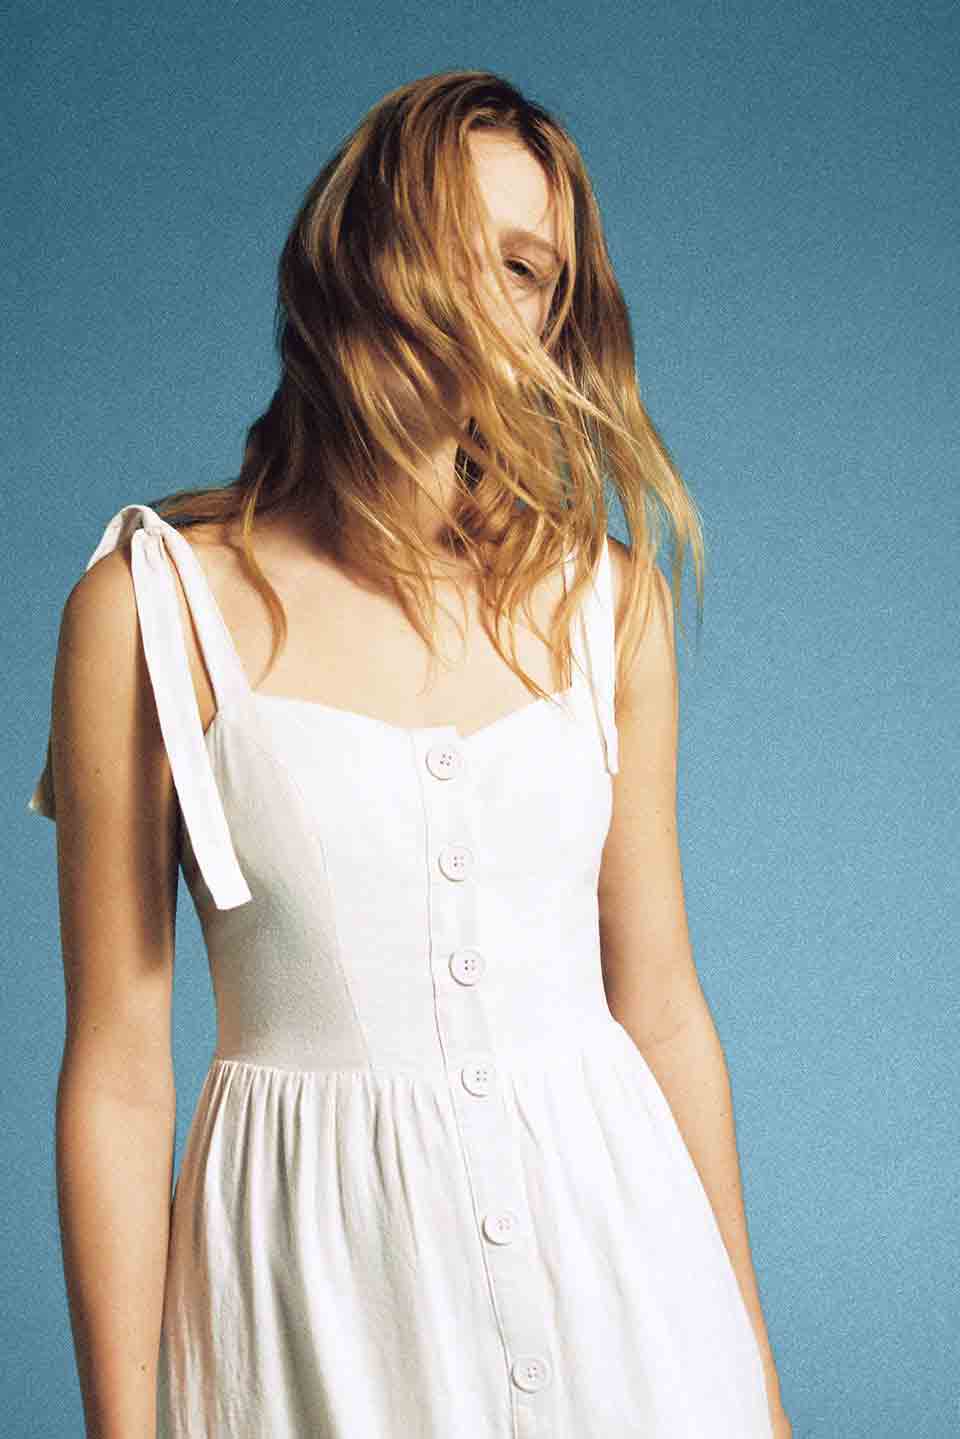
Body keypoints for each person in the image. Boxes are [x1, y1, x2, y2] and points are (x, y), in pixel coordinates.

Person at [28, 68, 791, 1439]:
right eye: (446, 241)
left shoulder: (607, 607)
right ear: (352, 258)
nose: (478, 298)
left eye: (526, 270)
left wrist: (758, 1380)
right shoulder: (149, 613)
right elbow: (120, 1077)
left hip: (626, 1288)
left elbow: (663, 1007)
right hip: (314, 1306)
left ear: (557, 324)